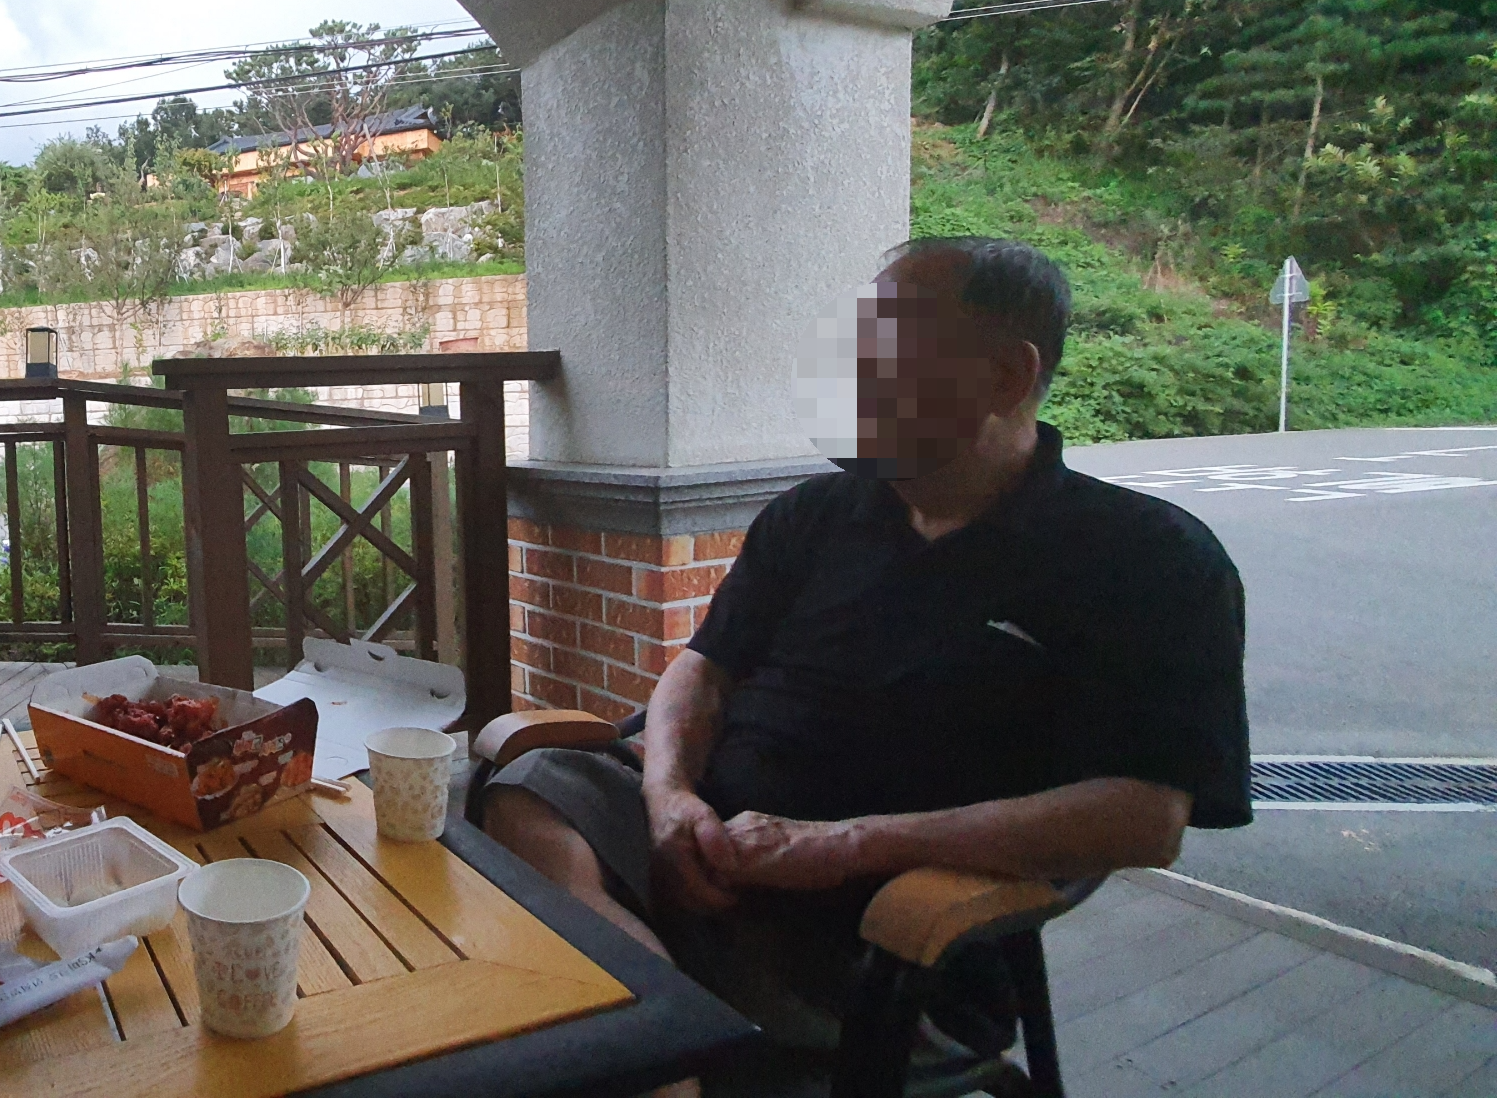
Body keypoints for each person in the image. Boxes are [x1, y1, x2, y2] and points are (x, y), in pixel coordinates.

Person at [484, 237, 1250, 1085]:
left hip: (879, 942)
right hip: (704, 857)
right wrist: (669, 801)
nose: (848, 376)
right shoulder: (814, 515)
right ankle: (663, 1020)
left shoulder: (1149, 559)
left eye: (882, 349)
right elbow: (702, 667)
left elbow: (1147, 816)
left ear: (1004, 375)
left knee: (556, 1015)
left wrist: (844, 845)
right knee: (530, 787)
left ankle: (650, 1036)